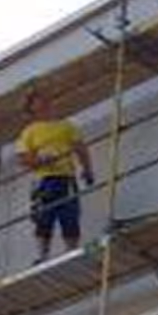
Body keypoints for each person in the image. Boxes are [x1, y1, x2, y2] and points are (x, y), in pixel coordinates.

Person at [16, 112, 98, 263]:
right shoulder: (30, 131)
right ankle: (42, 256)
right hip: (43, 179)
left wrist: (87, 169)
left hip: (65, 176)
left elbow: (80, 148)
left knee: (70, 215)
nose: (45, 106)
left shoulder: (65, 126)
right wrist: (39, 159)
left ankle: (71, 251)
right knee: (43, 217)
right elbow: (22, 158)